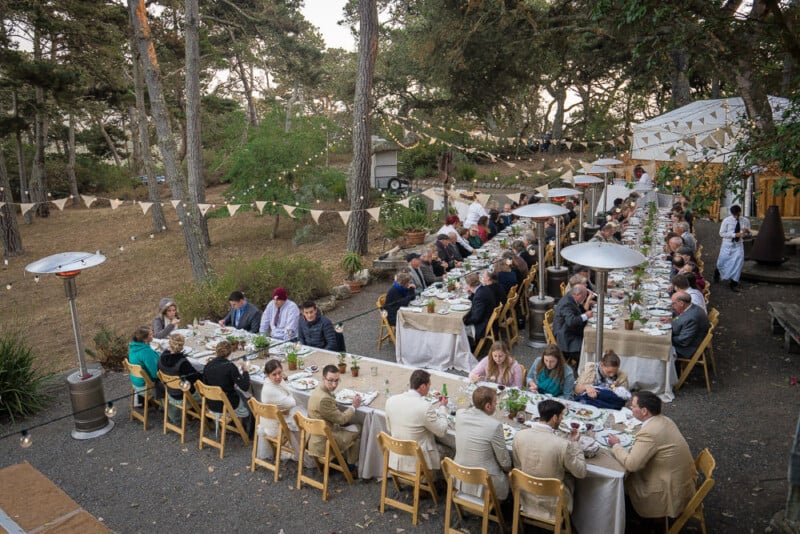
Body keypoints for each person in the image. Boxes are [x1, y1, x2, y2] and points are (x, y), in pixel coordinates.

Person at [607, 391, 697, 520]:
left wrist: (616, 445)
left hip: (669, 491)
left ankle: (616, 514)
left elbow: (632, 464)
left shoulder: (650, 432)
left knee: (623, 475)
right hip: (681, 480)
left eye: (633, 406)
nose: (630, 408)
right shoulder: (664, 420)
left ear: (644, 411)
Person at [512, 399, 586, 519]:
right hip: (554, 504)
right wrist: (575, 444)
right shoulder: (562, 445)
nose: (562, 419)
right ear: (555, 418)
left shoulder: (519, 435)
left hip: (525, 497)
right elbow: (581, 472)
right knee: (571, 477)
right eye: (562, 416)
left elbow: (518, 467)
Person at [384, 369, 450, 474]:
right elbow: (442, 431)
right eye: (429, 385)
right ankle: (436, 482)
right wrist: (442, 408)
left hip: (397, 456)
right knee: (450, 451)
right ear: (423, 386)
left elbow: (389, 428)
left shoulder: (390, 400)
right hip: (417, 460)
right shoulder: (425, 407)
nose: (429, 388)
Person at [454, 386, 513, 500]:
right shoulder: (494, 425)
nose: (496, 406)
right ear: (488, 406)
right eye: (495, 403)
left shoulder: (460, 414)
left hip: (460, 476)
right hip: (484, 485)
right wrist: (508, 470)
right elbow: (505, 462)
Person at [307, 364, 362, 470]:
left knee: (349, 425)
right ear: (323, 379)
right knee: (359, 428)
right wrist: (354, 406)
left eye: (337, 380)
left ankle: (344, 461)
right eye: (331, 380)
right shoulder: (324, 399)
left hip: (315, 435)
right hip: (324, 441)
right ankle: (351, 467)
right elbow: (342, 419)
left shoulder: (319, 389)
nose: (334, 385)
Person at [257, 359, 305, 461]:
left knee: (299, 410)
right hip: (274, 426)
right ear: (268, 375)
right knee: (304, 414)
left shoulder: (271, 381)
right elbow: (292, 402)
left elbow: (285, 385)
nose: (278, 377)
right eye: (274, 374)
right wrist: (289, 395)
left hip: (274, 416)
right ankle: (304, 446)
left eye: (279, 373)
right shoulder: (270, 390)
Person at [202, 339, 252, 435]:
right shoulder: (230, 367)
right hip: (226, 405)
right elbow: (245, 386)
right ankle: (244, 430)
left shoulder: (208, 365)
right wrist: (245, 371)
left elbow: (205, 384)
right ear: (229, 353)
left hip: (211, 403)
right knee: (248, 398)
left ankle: (231, 425)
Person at [158, 333, 199, 423]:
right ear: (182, 345)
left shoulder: (161, 357)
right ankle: (201, 413)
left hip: (169, 390)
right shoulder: (182, 362)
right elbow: (194, 377)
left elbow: (158, 370)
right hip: (182, 393)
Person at [553, 283, 594, 364]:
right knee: (587, 352)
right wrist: (586, 315)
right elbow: (571, 321)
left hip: (571, 331)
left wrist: (586, 307)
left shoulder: (571, 297)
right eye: (584, 296)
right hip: (566, 338)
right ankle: (582, 371)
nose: (585, 298)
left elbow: (576, 311)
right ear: (578, 295)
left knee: (591, 341)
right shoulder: (566, 303)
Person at [715, 204, 750, 292]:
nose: (736, 216)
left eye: (737, 214)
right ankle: (717, 273)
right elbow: (721, 233)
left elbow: (748, 233)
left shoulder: (745, 221)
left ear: (740, 212)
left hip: (738, 244)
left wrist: (747, 232)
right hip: (727, 244)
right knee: (722, 261)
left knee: (738, 261)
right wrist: (734, 234)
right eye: (734, 215)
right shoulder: (726, 221)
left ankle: (734, 283)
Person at [462, 271, 501, 347]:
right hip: (489, 319)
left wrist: (464, 321)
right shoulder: (484, 288)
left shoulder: (479, 296)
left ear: (469, 285)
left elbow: (476, 318)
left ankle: (468, 348)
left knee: (458, 327)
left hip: (482, 325)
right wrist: (471, 295)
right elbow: (478, 301)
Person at [670, 290, 710, 359]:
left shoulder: (692, 318)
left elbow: (683, 341)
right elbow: (681, 317)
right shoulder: (692, 307)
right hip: (688, 340)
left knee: (656, 348)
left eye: (673, 303)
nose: (672, 306)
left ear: (681, 303)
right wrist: (672, 320)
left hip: (687, 349)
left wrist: (667, 339)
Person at [128, 325, 162, 402]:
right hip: (145, 387)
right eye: (150, 334)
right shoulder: (146, 352)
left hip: (136, 383)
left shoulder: (133, 347)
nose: (152, 335)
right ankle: (169, 407)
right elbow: (155, 374)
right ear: (145, 339)